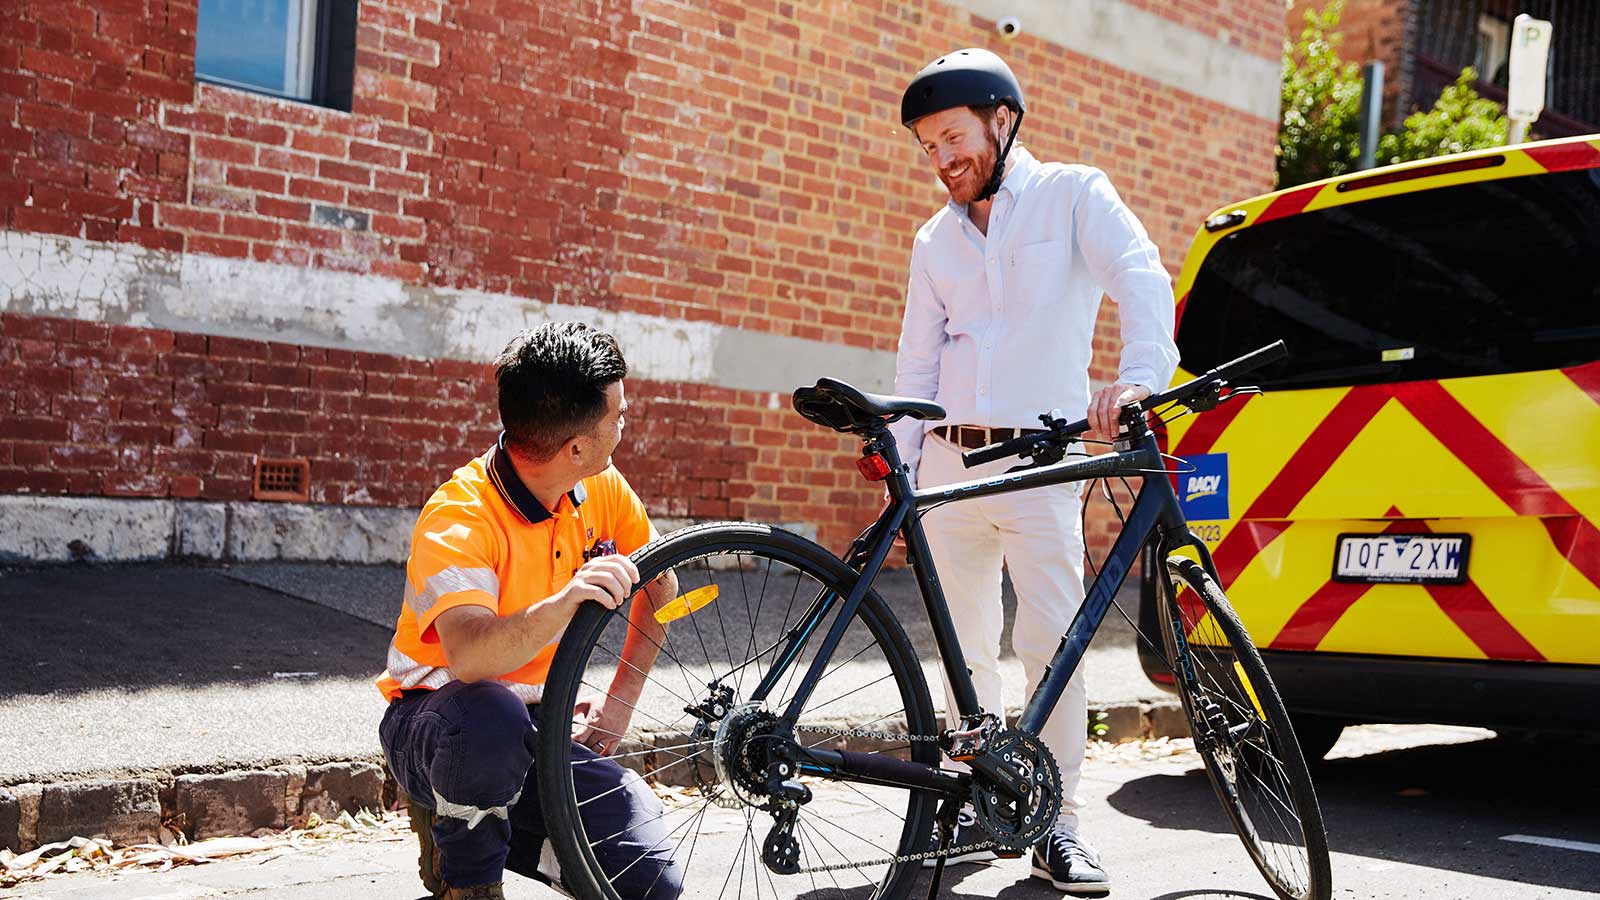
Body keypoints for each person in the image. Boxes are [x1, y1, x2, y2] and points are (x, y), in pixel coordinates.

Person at [888, 48, 1180, 895]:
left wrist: (1138, 377)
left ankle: (1060, 826)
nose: (942, 160)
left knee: (1052, 644)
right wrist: (903, 485)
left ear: (1001, 121)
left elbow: (1140, 274)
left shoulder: (1073, 195)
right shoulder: (934, 239)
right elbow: (915, 370)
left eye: (951, 138)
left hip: (1043, 463)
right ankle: (978, 800)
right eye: (926, 147)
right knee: (963, 649)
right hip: (946, 467)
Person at [375, 322, 683, 900]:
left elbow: (660, 585)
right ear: (575, 447)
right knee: (489, 716)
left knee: (649, 885)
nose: (626, 417)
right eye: (617, 412)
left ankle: (476, 829)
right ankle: (467, 873)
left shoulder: (603, 488)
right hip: (437, 721)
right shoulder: (460, 515)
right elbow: (469, 656)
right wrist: (567, 603)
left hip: (539, 727)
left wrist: (618, 707)